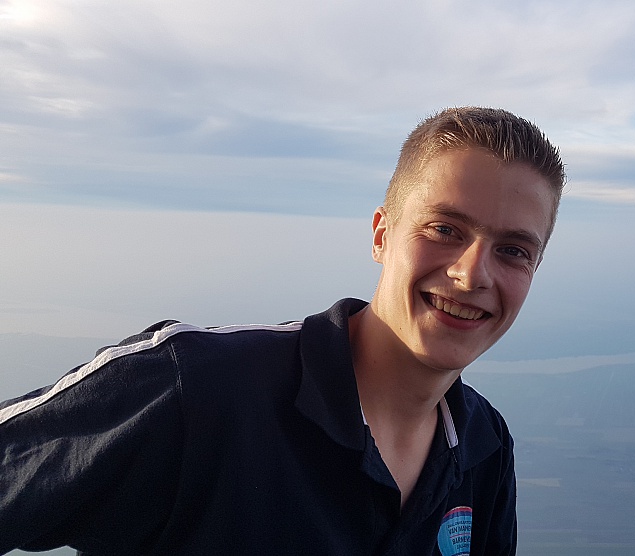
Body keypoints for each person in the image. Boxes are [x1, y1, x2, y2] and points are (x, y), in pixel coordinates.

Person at [0, 107, 566, 555]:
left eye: (513, 250)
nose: (472, 274)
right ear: (381, 235)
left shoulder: (483, 446)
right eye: (444, 229)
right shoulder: (198, 388)